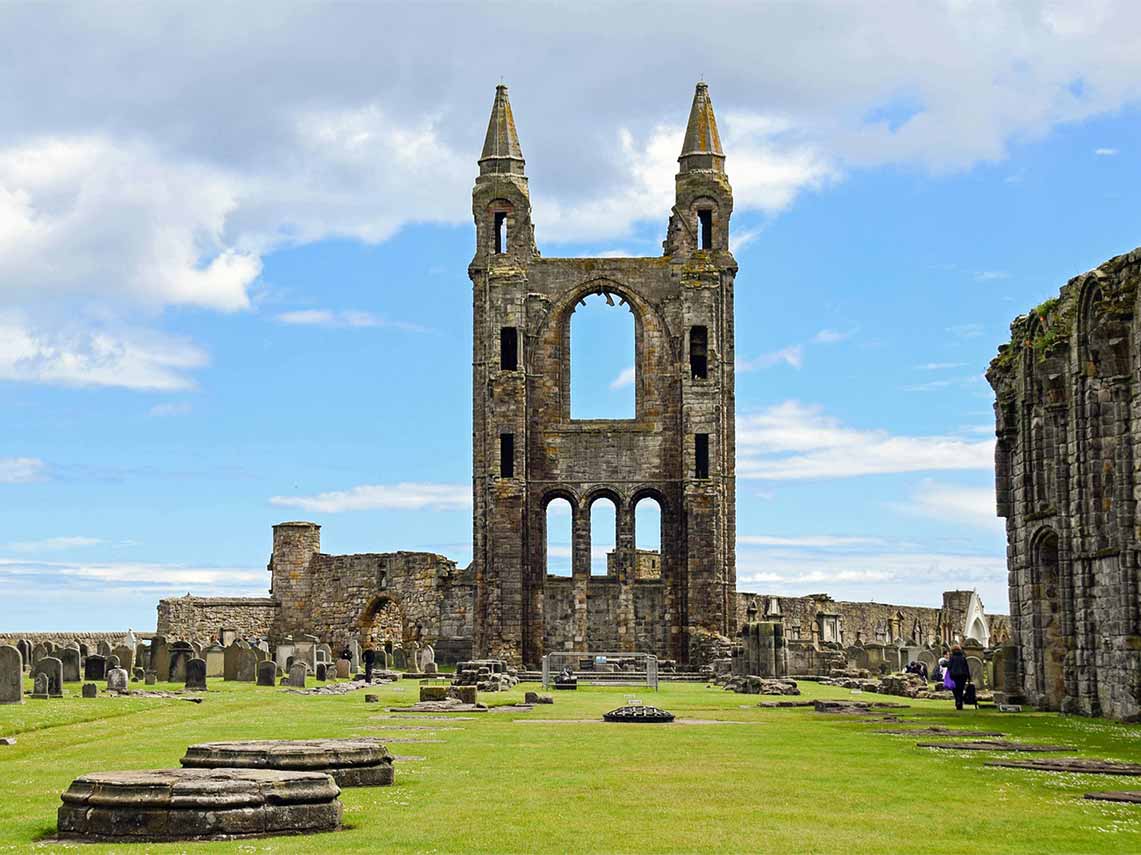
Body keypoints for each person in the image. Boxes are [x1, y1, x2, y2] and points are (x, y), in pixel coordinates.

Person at [946, 644, 972, 710]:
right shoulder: (963, 657)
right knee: (960, 690)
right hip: (962, 676)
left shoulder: (952, 658)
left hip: (954, 676)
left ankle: (957, 701)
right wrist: (969, 677)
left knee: (955, 690)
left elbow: (949, 666)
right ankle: (959, 702)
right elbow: (966, 667)